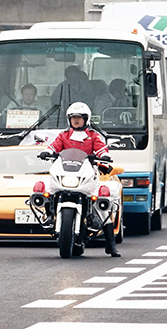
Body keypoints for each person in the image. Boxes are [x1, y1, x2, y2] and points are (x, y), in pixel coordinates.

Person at [42, 101, 119, 257]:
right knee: (48, 190)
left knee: (101, 202)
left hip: (87, 174)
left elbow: (102, 149)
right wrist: (46, 151)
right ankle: (49, 214)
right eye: (73, 118)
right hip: (67, 173)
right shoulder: (64, 135)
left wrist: (104, 156)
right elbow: (54, 146)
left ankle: (111, 245)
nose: (76, 121)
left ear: (86, 119)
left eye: (80, 118)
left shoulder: (93, 136)